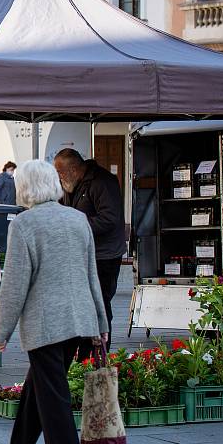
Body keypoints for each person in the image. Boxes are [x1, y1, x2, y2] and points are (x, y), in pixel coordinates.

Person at [0, 160, 108, 444]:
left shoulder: (25, 224)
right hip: (79, 321)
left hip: (45, 325)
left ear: (25, 187)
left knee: (53, 398)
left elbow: (15, 284)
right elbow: (91, 275)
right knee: (38, 389)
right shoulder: (78, 219)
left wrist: (1, 334)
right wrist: (100, 322)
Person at [53, 148, 126, 355]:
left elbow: (109, 219)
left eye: (61, 172)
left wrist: (76, 225)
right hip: (83, 254)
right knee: (83, 304)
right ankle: (85, 353)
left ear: (74, 169)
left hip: (105, 255)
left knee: (100, 303)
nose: (58, 177)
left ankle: (98, 354)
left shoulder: (103, 182)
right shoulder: (71, 184)